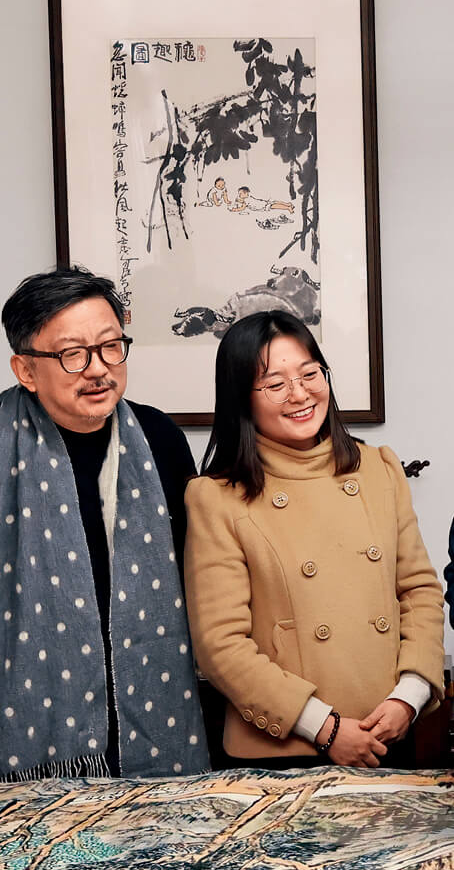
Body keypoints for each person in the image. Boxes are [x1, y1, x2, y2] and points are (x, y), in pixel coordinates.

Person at [0, 265, 209, 780]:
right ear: (25, 369)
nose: (99, 369)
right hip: (26, 733)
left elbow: (200, 572)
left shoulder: (159, 439)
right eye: (73, 354)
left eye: (111, 346)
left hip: (161, 723)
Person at [186, 311, 444, 768]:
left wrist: (408, 697)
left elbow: (419, 592)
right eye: (275, 383)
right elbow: (220, 644)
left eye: (310, 374)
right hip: (286, 750)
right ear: (242, 398)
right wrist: (325, 728)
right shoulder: (217, 497)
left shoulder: (379, 469)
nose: (300, 394)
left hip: (386, 732)